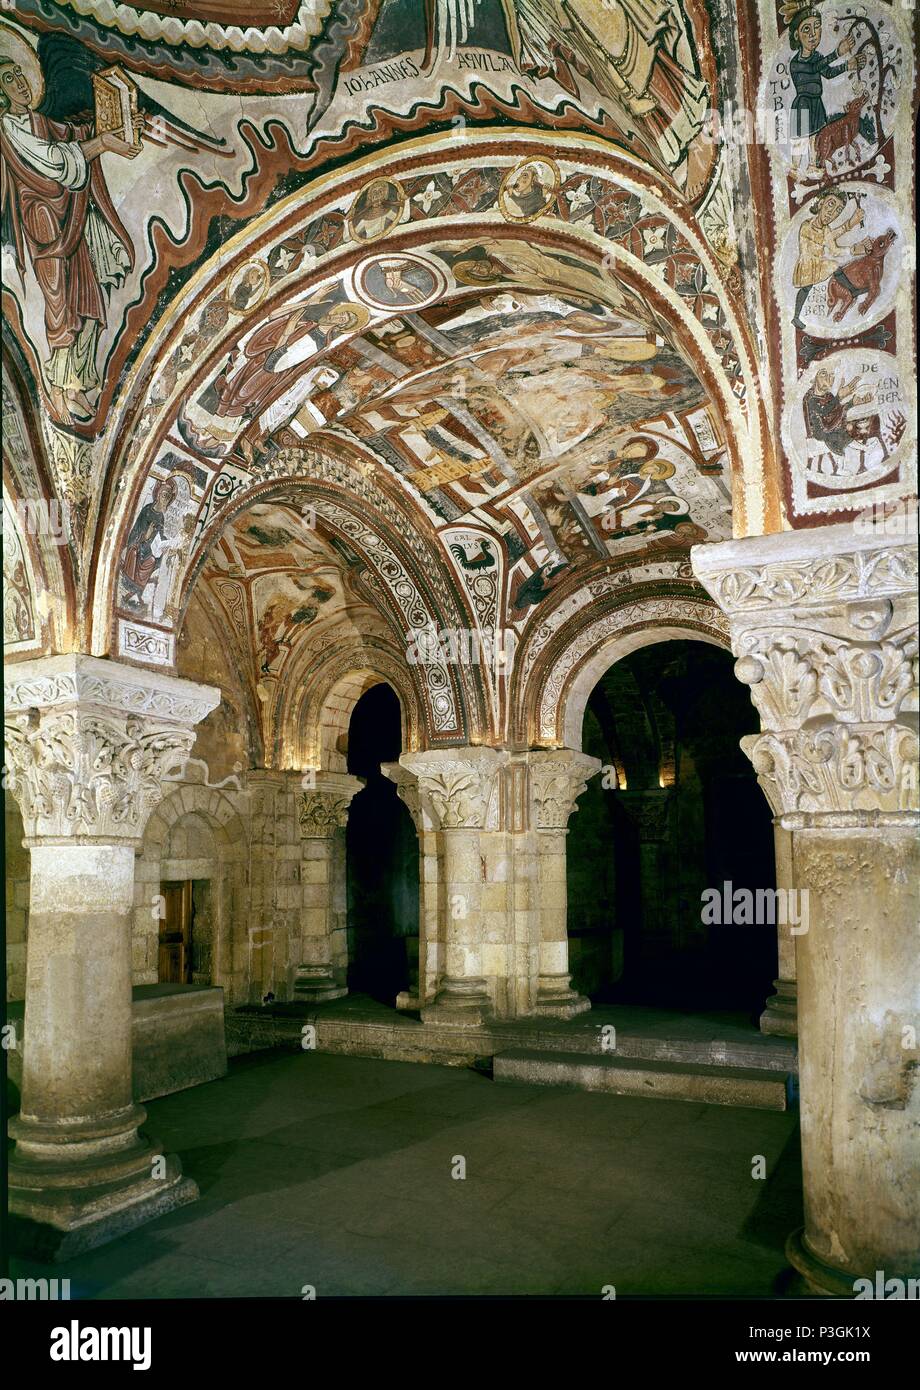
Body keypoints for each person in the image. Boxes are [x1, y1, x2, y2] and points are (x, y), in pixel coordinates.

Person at [0, 54, 145, 421]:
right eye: (8, 78)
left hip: (70, 218)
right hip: (45, 224)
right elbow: (53, 160)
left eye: (19, 73)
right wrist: (104, 144)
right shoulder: (8, 127)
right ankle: (61, 387)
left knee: (90, 300)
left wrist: (120, 125)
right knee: (61, 304)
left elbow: (72, 135)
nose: (19, 82)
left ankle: (78, 384)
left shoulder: (38, 121)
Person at [787, 7, 858, 177]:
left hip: (816, 103)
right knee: (800, 137)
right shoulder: (796, 62)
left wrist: (847, 66)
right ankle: (795, 168)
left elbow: (828, 72)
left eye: (817, 26)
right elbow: (813, 68)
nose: (813, 34)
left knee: (814, 137)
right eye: (806, 29)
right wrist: (836, 53)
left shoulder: (817, 56)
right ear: (797, 36)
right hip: (803, 103)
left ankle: (812, 165)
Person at [792, 190, 870, 329]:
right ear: (821, 203)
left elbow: (834, 249)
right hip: (807, 264)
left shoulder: (825, 229)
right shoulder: (806, 226)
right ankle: (796, 317)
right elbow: (826, 241)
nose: (831, 213)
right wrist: (850, 225)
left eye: (837, 211)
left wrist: (852, 248)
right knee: (806, 289)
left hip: (818, 263)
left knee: (834, 266)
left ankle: (852, 290)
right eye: (830, 205)